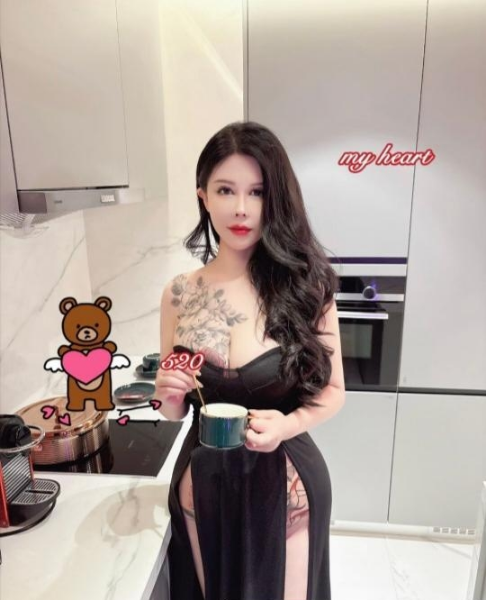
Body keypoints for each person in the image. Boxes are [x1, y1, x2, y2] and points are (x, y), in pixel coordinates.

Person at [154, 121, 346, 600]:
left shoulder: (308, 288)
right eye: (226, 190)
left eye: (257, 192)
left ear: (275, 198)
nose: (241, 208)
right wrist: (169, 397)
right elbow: (175, 410)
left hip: (286, 487)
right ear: (203, 196)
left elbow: (334, 391)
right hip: (204, 486)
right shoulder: (179, 294)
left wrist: (287, 424)